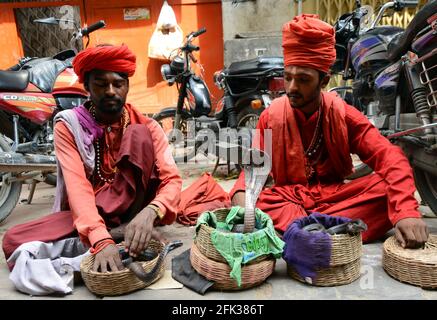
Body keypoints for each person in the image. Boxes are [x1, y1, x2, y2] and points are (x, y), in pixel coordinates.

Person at [230, 14, 428, 249]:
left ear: (323, 81)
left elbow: (390, 157)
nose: (292, 88)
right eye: (288, 77)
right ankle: (333, 232)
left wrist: (406, 211)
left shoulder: (343, 114)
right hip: (288, 201)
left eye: (303, 79)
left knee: (387, 191)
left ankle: (299, 232)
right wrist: (243, 197)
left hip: (336, 197)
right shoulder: (271, 117)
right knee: (256, 202)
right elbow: (253, 169)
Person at [2, 44, 182, 272]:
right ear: (86, 86)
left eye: (118, 84)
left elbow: (172, 180)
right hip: (88, 212)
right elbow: (77, 188)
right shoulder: (68, 125)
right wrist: (100, 239)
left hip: (136, 211)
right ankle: (119, 232)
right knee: (13, 239)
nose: (110, 91)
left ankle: (132, 226)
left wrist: (151, 212)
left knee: (139, 135)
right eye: (100, 84)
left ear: (127, 86)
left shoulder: (148, 125)